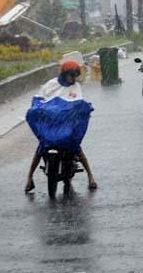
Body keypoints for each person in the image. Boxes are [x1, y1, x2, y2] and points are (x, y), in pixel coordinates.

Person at [26, 60, 96, 193]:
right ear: (64, 74)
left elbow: (79, 103)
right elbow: (38, 99)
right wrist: (37, 108)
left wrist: (84, 110)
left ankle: (90, 176)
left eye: (75, 75)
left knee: (75, 147)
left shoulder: (76, 87)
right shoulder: (51, 85)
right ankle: (29, 178)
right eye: (71, 75)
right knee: (41, 148)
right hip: (51, 124)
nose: (73, 78)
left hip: (66, 124)